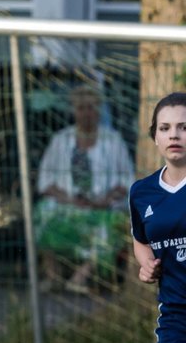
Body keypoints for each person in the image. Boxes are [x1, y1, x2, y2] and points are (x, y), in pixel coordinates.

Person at [129, 91, 186, 343]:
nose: (175, 135)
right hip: (176, 324)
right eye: (165, 128)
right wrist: (145, 263)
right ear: (154, 136)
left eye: (184, 127)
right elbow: (140, 240)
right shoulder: (142, 193)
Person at [36, 86, 134, 292]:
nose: (86, 113)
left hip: (103, 207)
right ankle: (53, 275)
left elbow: (128, 179)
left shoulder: (113, 141)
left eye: (91, 107)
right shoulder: (60, 140)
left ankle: (81, 276)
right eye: (81, 108)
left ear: (99, 110)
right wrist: (69, 199)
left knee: (116, 223)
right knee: (41, 213)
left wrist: (105, 199)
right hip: (68, 205)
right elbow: (45, 180)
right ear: (74, 110)